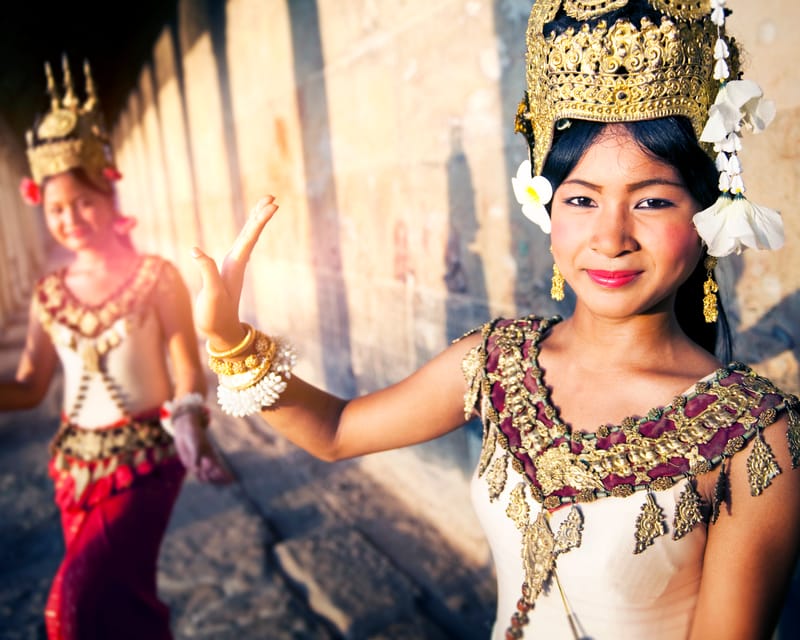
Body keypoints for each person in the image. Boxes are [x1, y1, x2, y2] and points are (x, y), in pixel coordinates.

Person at [190, 1, 800, 638]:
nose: (611, 236)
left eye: (651, 201)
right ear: (548, 212)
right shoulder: (497, 362)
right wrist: (230, 340)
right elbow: (337, 431)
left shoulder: (754, 438)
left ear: (708, 216)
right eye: (582, 199)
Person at [0, 56, 231, 640]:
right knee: (122, 606)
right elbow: (29, 388)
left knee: (72, 608)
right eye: (55, 209)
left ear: (108, 196)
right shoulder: (48, 292)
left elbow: (185, 366)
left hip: (146, 462)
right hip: (72, 470)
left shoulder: (156, 276)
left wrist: (188, 419)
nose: (71, 218)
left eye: (83, 202)